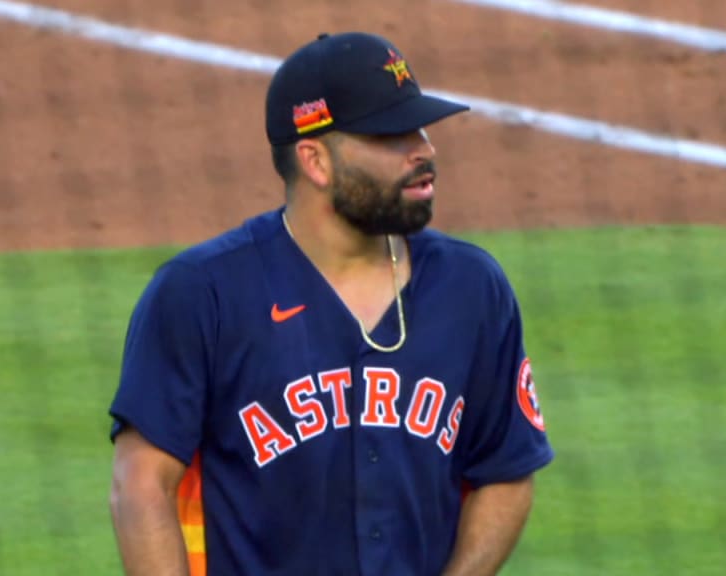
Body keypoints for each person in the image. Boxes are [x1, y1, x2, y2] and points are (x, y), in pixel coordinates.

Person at [107, 31, 554, 576]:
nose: (424, 150)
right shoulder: (202, 294)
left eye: (419, 128)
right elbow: (141, 485)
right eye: (391, 134)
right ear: (315, 160)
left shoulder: (471, 288)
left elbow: (505, 471)